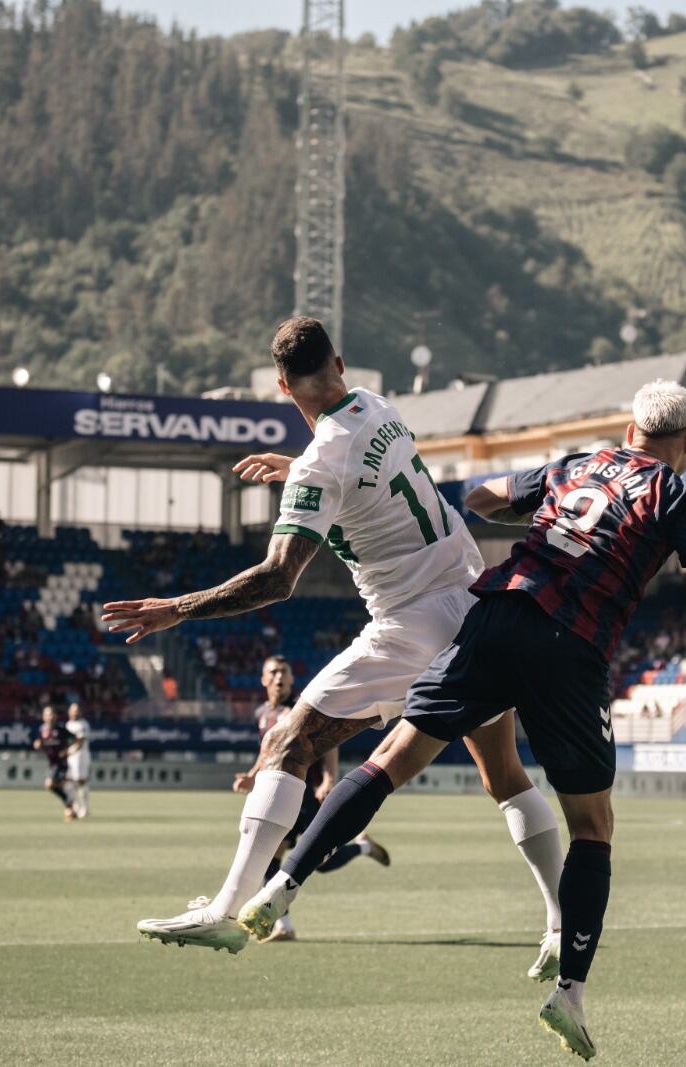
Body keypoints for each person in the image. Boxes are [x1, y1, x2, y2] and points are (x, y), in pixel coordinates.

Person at [238, 379, 686, 1061]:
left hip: (497, 614)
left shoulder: (579, 465)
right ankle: (570, 992)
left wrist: (549, 523)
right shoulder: (677, 494)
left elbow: (479, 496)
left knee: (392, 758)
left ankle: (280, 885)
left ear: (629, 430)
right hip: (571, 645)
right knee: (593, 825)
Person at [109, 317, 564, 970]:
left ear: (281, 385)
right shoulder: (378, 408)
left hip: (412, 622)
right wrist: (299, 472)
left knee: (288, 741)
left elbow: (275, 579)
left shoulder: (321, 461)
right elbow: (374, 478)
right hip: (476, 600)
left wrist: (173, 609)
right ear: (342, 365)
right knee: (504, 773)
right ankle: (558, 917)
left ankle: (225, 909)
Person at [252, 654, 389, 943]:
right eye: (273, 672)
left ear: (291, 678)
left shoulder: (301, 709)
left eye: (284, 672)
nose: (279, 677)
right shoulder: (262, 713)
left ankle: (362, 848)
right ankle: (283, 926)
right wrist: (252, 774)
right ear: (264, 679)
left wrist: (329, 777)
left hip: (308, 794)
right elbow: (269, 752)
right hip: (281, 795)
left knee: (321, 862)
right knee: (269, 859)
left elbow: (329, 744)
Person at [33, 705, 74, 820]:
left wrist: (67, 751)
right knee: (53, 786)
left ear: (55, 716)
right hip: (52, 763)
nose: (50, 717)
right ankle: (69, 802)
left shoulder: (60, 729)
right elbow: (39, 742)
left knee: (50, 784)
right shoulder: (42, 729)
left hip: (61, 763)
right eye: (47, 715)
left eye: (52, 714)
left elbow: (74, 740)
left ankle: (69, 804)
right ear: (43, 717)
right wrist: (37, 745)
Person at [65, 703, 92, 820]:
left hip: (80, 756)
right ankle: (75, 807)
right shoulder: (68, 724)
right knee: (70, 783)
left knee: (80, 781)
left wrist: (70, 751)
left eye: (77, 711)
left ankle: (84, 808)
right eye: (72, 710)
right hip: (71, 756)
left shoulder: (83, 724)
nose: (74, 713)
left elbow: (80, 742)